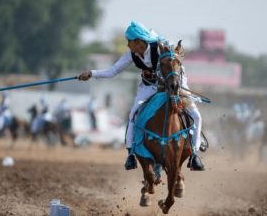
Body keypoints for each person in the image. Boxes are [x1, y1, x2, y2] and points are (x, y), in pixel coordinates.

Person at [78, 20, 205, 171]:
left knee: (196, 115)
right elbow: (113, 71)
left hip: (174, 84)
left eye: (129, 41)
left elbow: (176, 62)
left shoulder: (162, 46)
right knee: (134, 114)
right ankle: (131, 153)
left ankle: (194, 154)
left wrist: (178, 84)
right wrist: (91, 74)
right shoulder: (131, 54)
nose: (127, 45)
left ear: (138, 41)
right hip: (149, 87)